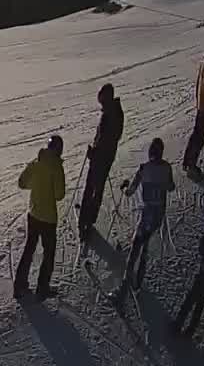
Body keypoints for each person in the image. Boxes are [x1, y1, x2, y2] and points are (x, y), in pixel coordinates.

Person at [118, 138, 176, 294]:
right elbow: (171, 187)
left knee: (136, 246)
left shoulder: (144, 169)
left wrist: (124, 187)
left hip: (147, 214)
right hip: (158, 215)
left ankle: (125, 283)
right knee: (145, 245)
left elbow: (130, 192)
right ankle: (138, 282)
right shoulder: (166, 168)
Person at [15, 135, 67, 300]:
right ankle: (42, 287)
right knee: (48, 252)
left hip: (34, 213)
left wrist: (37, 186)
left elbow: (22, 183)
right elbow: (59, 195)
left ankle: (19, 285)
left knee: (29, 248)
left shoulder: (36, 163)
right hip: (48, 218)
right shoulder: (57, 168)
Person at [77, 83, 125, 238]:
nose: (101, 104)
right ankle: (88, 218)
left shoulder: (111, 114)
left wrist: (94, 153)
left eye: (102, 101)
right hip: (105, 156)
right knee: (95, 188)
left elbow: (107, 139)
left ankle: (86, 221)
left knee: (92, 188)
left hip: (102, 158)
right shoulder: (114, 111)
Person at [172, 228, 204, 338]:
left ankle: (178, 325)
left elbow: (202, 245)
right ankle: (190, 330)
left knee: (191, 300)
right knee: (199, 303)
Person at [184, 52, 204, 172]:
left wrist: (198, 102)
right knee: (199, 136)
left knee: (197, 134)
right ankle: (190, 164)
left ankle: (188, 162)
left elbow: (198, 83)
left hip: (203, 105)